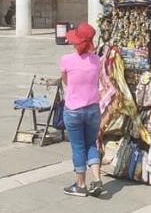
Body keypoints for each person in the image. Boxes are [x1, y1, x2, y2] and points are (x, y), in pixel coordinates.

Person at [59, 22, 103, 197]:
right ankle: (97, 179)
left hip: (74, 109)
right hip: (93, 108)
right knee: (91, 143)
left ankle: (80, 185)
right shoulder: (96, 60)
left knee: (78, 147)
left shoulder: (66, 60)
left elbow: (65, 80)